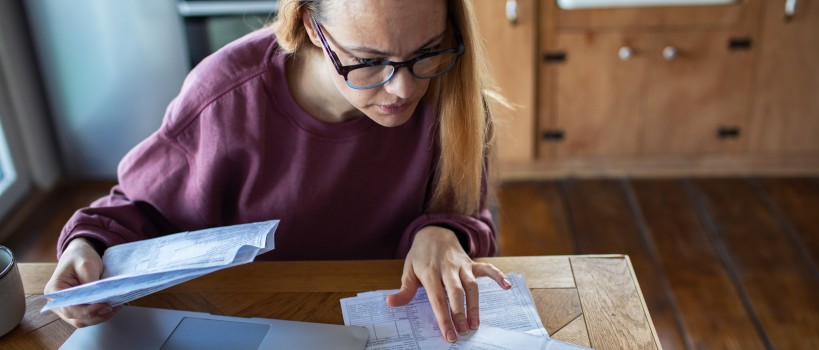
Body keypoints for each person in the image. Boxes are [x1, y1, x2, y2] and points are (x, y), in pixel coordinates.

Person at [44, 0, 511, 343]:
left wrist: (444, 234)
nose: (405, 89)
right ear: (312, 25)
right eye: (369, 61)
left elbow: (469, 214)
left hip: (395, 324)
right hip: (251, 322)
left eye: (426, 52)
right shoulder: (224, 99)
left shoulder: (452, 88)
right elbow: (138, 206)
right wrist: (89, 244)